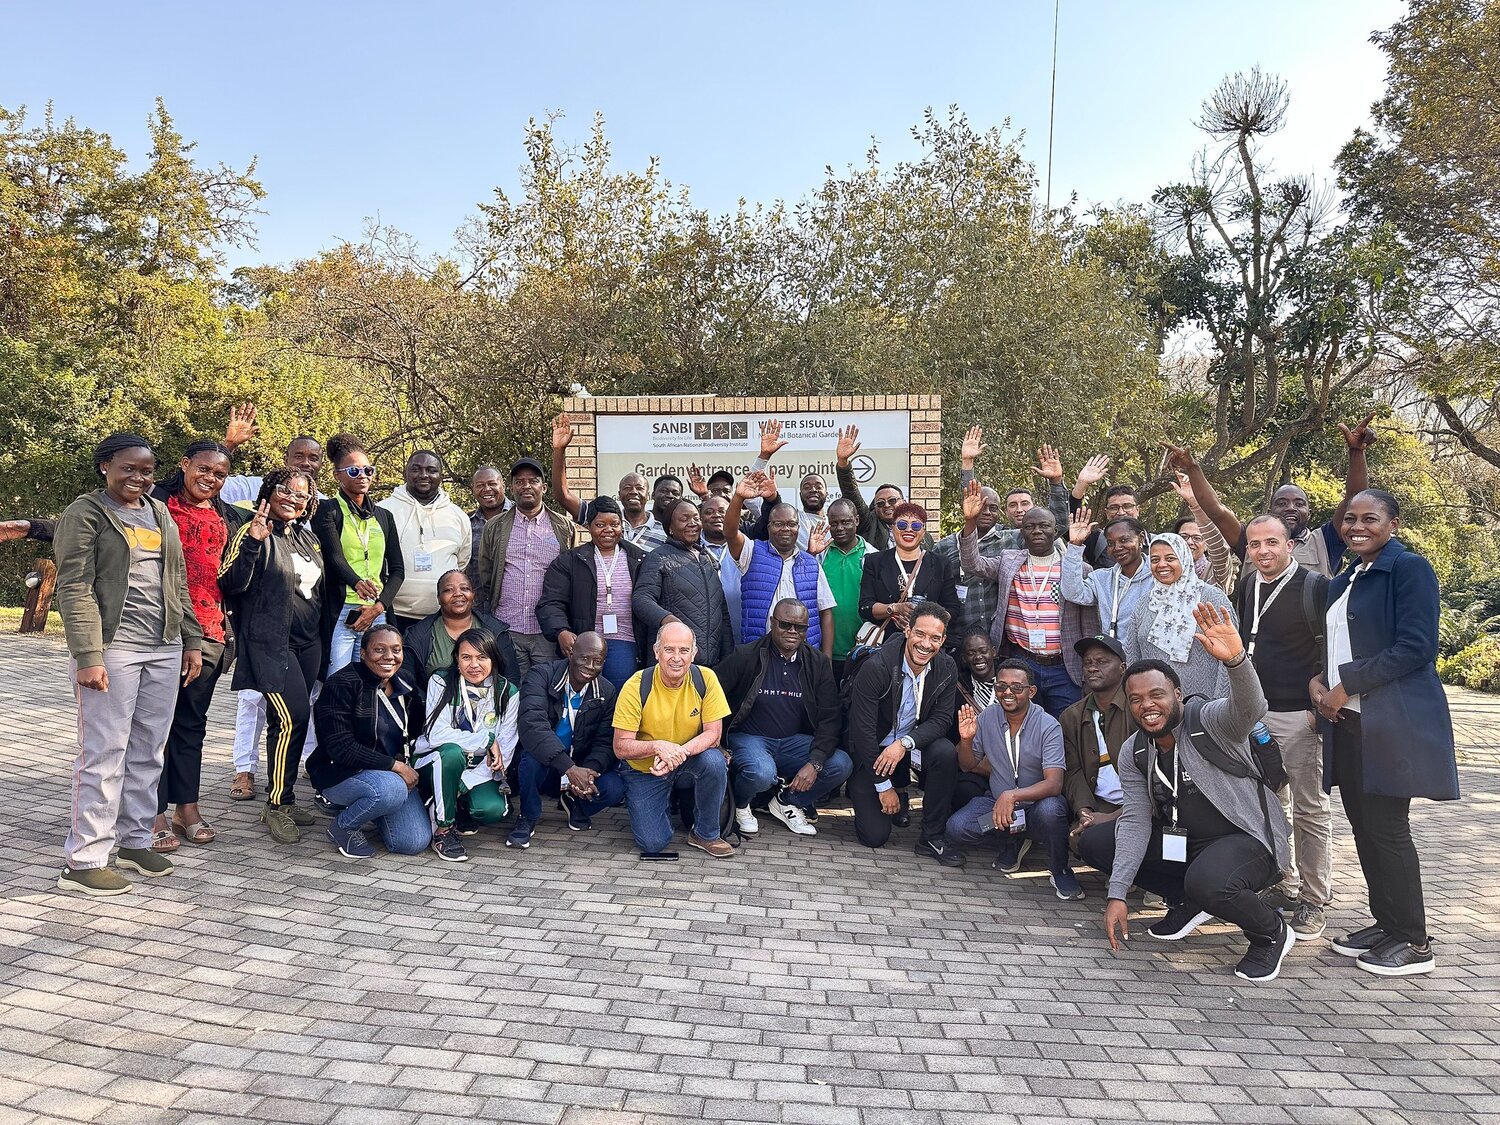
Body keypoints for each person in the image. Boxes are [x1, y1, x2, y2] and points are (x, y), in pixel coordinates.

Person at [1081, 605, 1296, 984]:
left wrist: (1236, 661)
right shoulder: (1135, 750)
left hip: (1249, 839)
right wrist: (1117, 894)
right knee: (1097, 841)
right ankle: (1189, 902)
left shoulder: (1210, 721)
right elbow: (1133, 821)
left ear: (1177, 694)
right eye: (1136, 699)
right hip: (1188, 843)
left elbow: (1251, 707)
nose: (1147, 705)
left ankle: (1270, 932)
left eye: (1157, 695)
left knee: (1210, 880)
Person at [1311, 490, 1459, 977]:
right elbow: (1334, 642)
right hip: (1350, 721)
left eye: (1370, 518)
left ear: (1392, 523)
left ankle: (1414, 941)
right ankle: (1387, 923)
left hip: (1391, 722)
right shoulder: (1348, 576)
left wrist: (1345, 684)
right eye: (1350, 519)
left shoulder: (1408, 568)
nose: (1358, 526)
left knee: (1389, 830)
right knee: (1365, 827)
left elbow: (1416, 647)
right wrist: (1320, 681)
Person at [53, 434, 205, 895]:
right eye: (129, 468)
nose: (138, 477)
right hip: (114, 647)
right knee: (103, 753)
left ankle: (136, 840)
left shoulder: (159, 513)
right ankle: (83, 860)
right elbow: (73, 586)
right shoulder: (86, 512)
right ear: (105, 467)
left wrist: (191, 640)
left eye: (147, 470)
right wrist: (88, 654)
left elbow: (177, 581)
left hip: (164, 645)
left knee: (149, 748)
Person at [1235, 514, 1332, 939]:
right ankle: (1285, 883)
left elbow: (1332, 647)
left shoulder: (1314, 587)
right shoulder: (1246, 586)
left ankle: (1314, 899)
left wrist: (1317, 708)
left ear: (1290, 545)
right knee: (1270, 804)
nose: (1263, 552)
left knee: (1309, 808)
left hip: (1297, 715)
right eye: (1255, 545)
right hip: (1252, 713)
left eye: (1271, 543)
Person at [151, 440, 249, 853]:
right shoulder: (158, 502)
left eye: (220, 474)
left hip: (209, 632)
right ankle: (150, 812)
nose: (209, 478)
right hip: (161, 628)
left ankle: (185, 808)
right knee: (154, 726)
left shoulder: (227, 515)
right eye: (202, 469)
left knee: (191, 724)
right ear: (184, 464)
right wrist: (33, 527)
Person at [218, 468, 325, 844]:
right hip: (269, 645)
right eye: (285, 490)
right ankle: (277, 805)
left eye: (301, 494)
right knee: (292, 716)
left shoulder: (304, 538)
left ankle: (286, 795)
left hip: (307, 644)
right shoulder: (252, 531)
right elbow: (228, 582)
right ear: (268, 491)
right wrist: (252, 542)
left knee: (291, 721)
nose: (293, 499)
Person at [1165, 415, 1377, 578]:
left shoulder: (1325, 541)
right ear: (1271, 511)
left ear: (1309, 513)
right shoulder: (1249, 541)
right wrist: (1192, 468)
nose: (1291, 507)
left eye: (1299, 503)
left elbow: (1354, 498)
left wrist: (1356, 453)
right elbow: (1217, 511)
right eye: (1282, 503)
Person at [714, 600, 854, 837]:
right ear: (772, 623)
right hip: (749, 739)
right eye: (785, 625)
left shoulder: (817, 663)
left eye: (799, 627)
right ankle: (741, 804)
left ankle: (787, 801)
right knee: (761, 771)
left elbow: (830, 718)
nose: (792, 632)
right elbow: (711, 691)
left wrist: (815, 762)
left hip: (792, 743)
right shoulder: (746, 656)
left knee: (840, 764)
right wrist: (715, 740)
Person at [958, 480, 1098, 716]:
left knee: (1065, 731)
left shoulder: (1077, 569)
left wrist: (1089, 666)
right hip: (1022, 664)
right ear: (1021, 532)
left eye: (1044, 526)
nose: (1037, 531)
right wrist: (970, 521)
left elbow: (1090, 626)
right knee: (1021, 729)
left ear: (1055, 531)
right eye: (1030, 526)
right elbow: (973, 564)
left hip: (1064, 668)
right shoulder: (1009, 561)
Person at [945, 660, 1082, 900]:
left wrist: (1012, 795)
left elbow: (1054, 784)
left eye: (1017, 687)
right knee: (959, 828)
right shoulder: (988, 717)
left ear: (1031, 692)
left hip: (1037, 808)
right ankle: (1013, 839)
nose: (1008, 693)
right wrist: (966, 740)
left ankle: (1059, 868)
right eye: (1001, 686)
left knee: (1052, 810)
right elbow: (967, 765)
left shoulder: (1048, 726)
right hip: (1001, 812)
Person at [847, 603, 962, 866]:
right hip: (872, 752)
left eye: (935, 638)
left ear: (943, 640)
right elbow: (861, 732)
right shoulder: (876, 667)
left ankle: (932, 836)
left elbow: (942, 719)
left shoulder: (946, 666)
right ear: (908, 631)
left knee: (944, 752)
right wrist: (882, 786)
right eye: (920, 634)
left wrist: (904, 743)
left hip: (908, 746)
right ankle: (891, 790)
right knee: (875, 836)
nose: (926, 644)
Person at [307, 625, 432, 860]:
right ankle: (343, 827)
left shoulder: (404, 682)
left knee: (412, 842)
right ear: (363, 653)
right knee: (392, 789)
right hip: (343, 773)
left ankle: (372, 808)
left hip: (387, 775)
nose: (389, 657)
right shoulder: (341, 685)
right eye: (379, 649)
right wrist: (396, 766)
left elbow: (416, 730)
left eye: (396, 650)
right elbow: (341, 748)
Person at [612, 622, 734, 857]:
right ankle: (662, 806)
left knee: (714, 761)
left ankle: (706, 834)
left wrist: (678, 753)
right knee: (653, 843)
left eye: (684, 650)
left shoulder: (706, 679)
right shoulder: (636, 685)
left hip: (687, 759)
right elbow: (620, 746)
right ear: (656, 652)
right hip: (646, 768)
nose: (676, 657)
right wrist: (658, 746)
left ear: (694, 653)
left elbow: (713, 734)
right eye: (669, 650)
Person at [513, 632, 628, 846]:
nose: (590, 666)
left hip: (580, 767)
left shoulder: (607, 691)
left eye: (598, 661)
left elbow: (605, 741)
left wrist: (588, 774)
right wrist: (569, 769)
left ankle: (576, 802)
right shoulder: (540, 676)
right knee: (532, 758)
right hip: (549, 766)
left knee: (615, 787)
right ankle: (527, 816)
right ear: (571, 653)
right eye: (585, 658)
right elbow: (533, 726)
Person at [413, 628, 518, 861]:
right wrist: (486, 740)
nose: (474, 665)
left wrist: (466, 782)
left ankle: (452, 802)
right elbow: (436, 735)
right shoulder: (440, 681)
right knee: (450, 753)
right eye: (466, 657)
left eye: (482, 657)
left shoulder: (508, 692)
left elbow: (506, 750)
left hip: (478, 768)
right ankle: (443, 830)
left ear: (494, 659)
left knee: (492, 810)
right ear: (456, 659)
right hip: (436, 759)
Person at [313, 434, 405, 674]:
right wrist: (355, 581)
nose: (362, 475)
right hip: (343, 608)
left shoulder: (384, 516)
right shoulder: (327, 510)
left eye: (368, 470)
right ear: (337, 475)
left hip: (376, 610)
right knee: (339, 680)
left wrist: (379, 606)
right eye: (354, 471)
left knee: (373, 679)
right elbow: (334, 558)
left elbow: (397, 570)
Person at [476, 454, 575, 674]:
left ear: (545, 487)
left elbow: (571, 576)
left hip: (547, 632)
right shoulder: (494, 527)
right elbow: (486, 574)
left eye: (533, 481)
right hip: (506, 627)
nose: (526, 486)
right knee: (510, 691)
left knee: (546, 691)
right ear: (512, 488)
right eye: (519, 482)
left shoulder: (563, 527)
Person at [537, 496, 647, 688]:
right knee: (586, 699)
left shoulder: (639, 559)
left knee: (620, 697)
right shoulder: (570, 561)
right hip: (583, 642)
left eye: (615, 524)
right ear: (589, 527)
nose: (608, 530)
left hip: (625, 641)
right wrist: (561, 631)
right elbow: (551, 602)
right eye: (600, 524)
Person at [724, 472, 836, 654]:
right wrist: (738, 498)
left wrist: (826, 661)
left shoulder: (811, 563)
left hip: (803, 657)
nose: (785, 529)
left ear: (798, 529)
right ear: (769, 527)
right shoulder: (751, 551)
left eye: (791, 524)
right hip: (759, 654)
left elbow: (826, 613)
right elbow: (730, 532)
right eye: (778, 524)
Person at [1130, 533, 1239, 699]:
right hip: (1155, 706)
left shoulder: (1211, 598)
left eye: (1170, 558)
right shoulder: (1145, 604)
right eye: (1154, 560)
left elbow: (1232, 656)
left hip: (1204, 707)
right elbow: (1133, 656)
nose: (1162, 565)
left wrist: (1220, 706)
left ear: (1184, 558)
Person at [632, 498, 735, 665]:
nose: (692, 523)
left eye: (696, 518)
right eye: (684, 519)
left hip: (712, 666)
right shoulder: (658, 557)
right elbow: (641, 599)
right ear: (670, 528)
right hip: (674, 662)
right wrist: (668, 620)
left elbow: (722, 614)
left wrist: (728, 659)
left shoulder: (707, 559)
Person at [378, 449, 471, 632]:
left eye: (431, 470)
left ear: (441, 476)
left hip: (443, 617)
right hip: (392, 613)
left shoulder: (457, 515)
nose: (423, 475)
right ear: (405, 473)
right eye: (416, 469)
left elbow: (462, 562)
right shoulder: (383, 511)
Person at [1060, 635, 1133, 842]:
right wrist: (1084, 812)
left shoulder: (1138, 707)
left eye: (1102, 662)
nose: (1092, 668)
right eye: (1088, 663)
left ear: (1122, 668)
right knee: (1080, 840)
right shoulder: (1071, 716)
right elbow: (1073, 772)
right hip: (1100, 802)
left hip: (1138, 804)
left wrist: (1113, 817)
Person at [399, 569, 520, 693]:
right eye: (448, 590)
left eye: (464, 589)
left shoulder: (496, 631)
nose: (458, 593)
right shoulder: (418, 635)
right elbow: (409, 683)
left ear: (473, 594)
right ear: (439, 598)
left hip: (490, 709)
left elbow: (511, 679)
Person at [858, 502, 961, 642]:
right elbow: (865, 607)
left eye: (916, 526)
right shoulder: (874, 562)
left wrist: (926, 620)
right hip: (885, 644)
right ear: (893, 528)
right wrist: (893, 609)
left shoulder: (940, 564)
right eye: (902, 525)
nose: (909, 530)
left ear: (923, 531)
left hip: (927, 644)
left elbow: (953, 609)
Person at [831, 425, 932, 551]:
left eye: (892, 500)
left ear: (903, 502)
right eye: (880, 503)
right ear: (875, 508)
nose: (887, 505)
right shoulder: (869, 523)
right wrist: (843, 462)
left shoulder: (921, 532)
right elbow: (851, 492)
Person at [1061, 509, 1152, 644]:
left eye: (1124, 540)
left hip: (1148, 659)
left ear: (1141, 538)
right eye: (1110, 544)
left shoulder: (1157, 576)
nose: (1117, 547)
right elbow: (1073, 593)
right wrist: (1075, 546)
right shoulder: (1102, 579)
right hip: (1115, 658)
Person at [820, 497, 870, 680]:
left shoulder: (872, 556)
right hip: (825, 652)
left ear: (856, 520)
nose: (839, 527)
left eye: (845, 522)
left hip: (862, 651)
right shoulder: (821, 555)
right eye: (834, 523)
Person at [698, 493, 743, 645]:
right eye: (709, 512)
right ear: (700, 518)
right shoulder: (690, 548)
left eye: (722, 511)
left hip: (742, 630)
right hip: (706, 636)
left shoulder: (746, 547)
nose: (716, 515)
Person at [463, 465, 508, 586]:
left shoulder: (519, 516)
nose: (487, 489)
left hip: (512, 601)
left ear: (503, 486)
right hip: (477, 601)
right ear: (473, 490)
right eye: (480, 485)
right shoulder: (466, 523)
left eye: (492, 483)